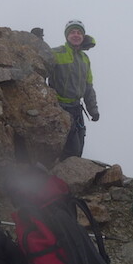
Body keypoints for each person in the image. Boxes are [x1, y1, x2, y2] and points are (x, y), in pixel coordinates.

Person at [49, 19, 99, 159]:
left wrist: (93, 109)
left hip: (77, 109)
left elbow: (88, 87)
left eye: (79, 33)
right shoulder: (56, 53)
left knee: (79, 148)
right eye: (72, 32)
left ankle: (69, 178)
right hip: (59, 107)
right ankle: (60, 177)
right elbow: (38, 63)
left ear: (83, 36)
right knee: (71, 150)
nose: (76, 35)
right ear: (67, 36)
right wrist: (37, 41)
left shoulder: (85, 59)